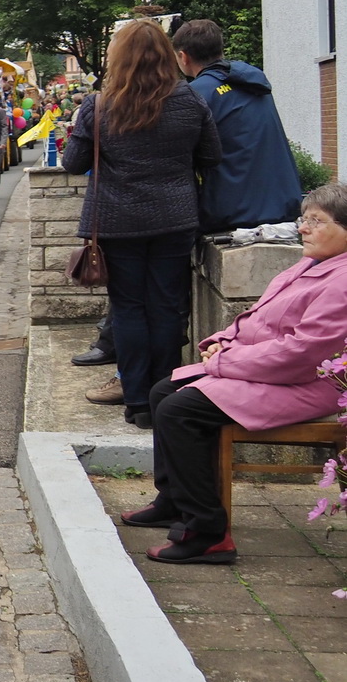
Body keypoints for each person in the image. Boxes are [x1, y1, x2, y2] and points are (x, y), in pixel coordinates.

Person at [118, 184, 347, 564]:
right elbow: (259, 317)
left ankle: (207, 533)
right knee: (163, 391)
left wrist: (222, 362)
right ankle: (175, 500)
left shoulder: (341, 282)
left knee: (179, 410)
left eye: (316, 221)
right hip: (266, 368)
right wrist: (222, 340)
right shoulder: (311, 263)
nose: (303, 228)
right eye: (303, 219)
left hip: (305, 383)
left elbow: (301, 354)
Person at [62, 20, 221, 429]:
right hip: (175, 218)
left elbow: (73, 164)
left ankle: (137, 402)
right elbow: (211, 155)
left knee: (129, 308)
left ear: (118, 58)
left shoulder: (100, 105)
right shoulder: (189, 100)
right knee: (168, 307)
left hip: (118, 221)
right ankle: (163, 395)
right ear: (169, 55)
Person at [171, 19, 304, 234]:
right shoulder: (253, 82)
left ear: (183, 56)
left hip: (234, 213)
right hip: (284, 206)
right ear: (220, 50)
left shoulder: (195, 95)